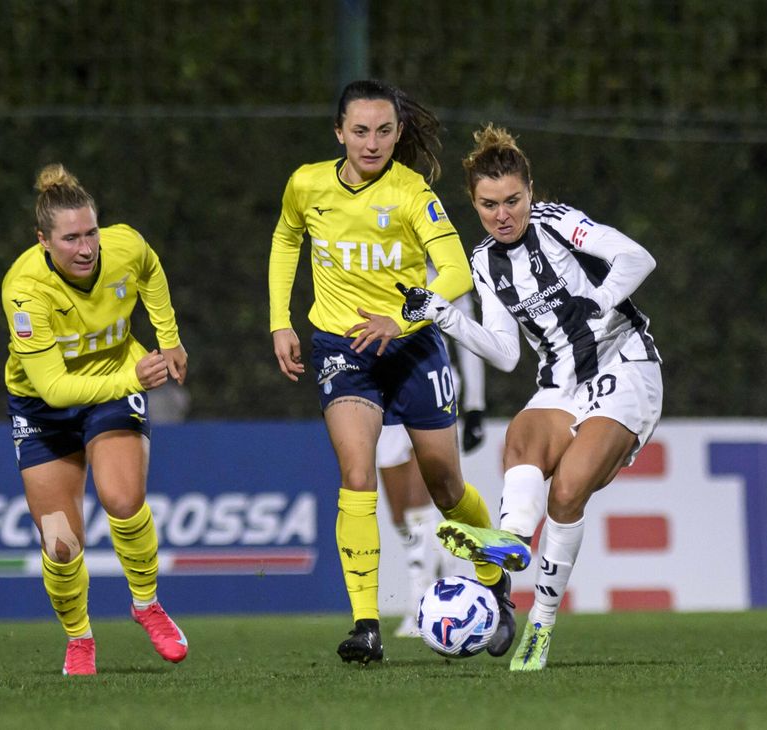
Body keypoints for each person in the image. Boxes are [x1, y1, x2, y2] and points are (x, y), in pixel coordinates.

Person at [268, 80, 516, 665]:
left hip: (411, 349)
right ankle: (366, 625)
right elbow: (285, 239)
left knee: (446, 486)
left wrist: (400, 321)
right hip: (341, 348)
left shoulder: (411, 192)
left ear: (398, 132)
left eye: (384, 131)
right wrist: (279, 321)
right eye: (360, 131)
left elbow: (455, 272)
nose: (372, 142)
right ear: (339, 132)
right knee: (357, 475)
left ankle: (494, 573)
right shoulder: (307, 184)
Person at [398, 123, 663, 670]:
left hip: (625, 366)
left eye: (513, 200)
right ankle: (513, 539)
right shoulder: (483, 261)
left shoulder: (558, 223)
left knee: (566, 492)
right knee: (521, 432)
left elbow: (638, 259)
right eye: (489, 204)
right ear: (474, 204)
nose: (503, 214)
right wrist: (442, 314)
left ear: (530, 192)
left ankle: (540, 627)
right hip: (560, 379)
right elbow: (505, 353)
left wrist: (600, 300)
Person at [1, 164, 191, 676]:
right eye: (70, 239)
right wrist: (135, 380)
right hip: (45, 413)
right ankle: (79, 638)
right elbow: (55, 389)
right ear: (43, 241)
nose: (86, 248)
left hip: (111, 389)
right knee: (62, 545)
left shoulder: (124, 245)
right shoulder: (24, 291)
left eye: (90, 233)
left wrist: (168, 335)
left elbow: (149, 269)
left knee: (124, 499)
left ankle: (146, 604)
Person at [377, 280, 487, 639]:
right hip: (376, 385)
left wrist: (475, 405)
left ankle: (419, 600)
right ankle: (437, 565)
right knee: (398, 512)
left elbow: (467, 338)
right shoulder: (364, 259)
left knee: (422, 498)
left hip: (428, 379)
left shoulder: (441, 270)